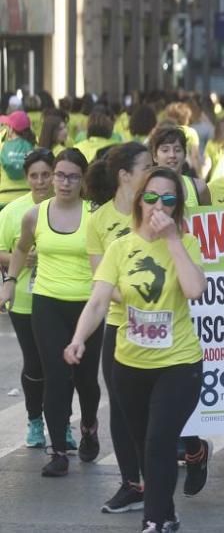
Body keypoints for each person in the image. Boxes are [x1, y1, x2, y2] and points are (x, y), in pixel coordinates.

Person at [65, 166, 207, 533]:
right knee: (147, 447)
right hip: (129, 364)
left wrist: (173, 240)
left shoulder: (187, 244)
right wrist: (79, 339)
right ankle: (168, 512)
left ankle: (154, 521)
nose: (159, 205)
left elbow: (194, 291)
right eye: (152, 197)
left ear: (178, 207)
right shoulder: (120, 247)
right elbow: (98, 302)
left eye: (169, 199)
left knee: (160, 442)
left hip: (179, 363)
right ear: (139, 200)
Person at [0, 149, 100, 477]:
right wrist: (11, 282)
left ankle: (88, 426)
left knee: (86, 379)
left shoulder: (94, 215)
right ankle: (57, 450)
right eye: (60, 175)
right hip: (47, 303)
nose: (64, 182)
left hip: (88, 307)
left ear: (83, 180)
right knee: (56, 377)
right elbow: (21, 248)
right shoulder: (35, 215)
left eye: (72, 176)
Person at [85, 143, 157, 512]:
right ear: (125, 175)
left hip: (161, 325)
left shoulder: (157, 208)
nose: (154, 169)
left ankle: (170, 469)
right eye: (148, 165)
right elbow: (102, 280)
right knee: (121, 406)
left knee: (154, 409)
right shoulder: (98, 221)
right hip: (119, 325)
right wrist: (132, 297)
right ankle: (132, 484)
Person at [0, 149, 55, 450]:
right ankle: (35, 420)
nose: (40, 181)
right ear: (26, 177)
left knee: (60, 365)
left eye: (46, 174)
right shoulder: (11, 212)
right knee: (35, 363)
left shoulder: (69, 207)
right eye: (34, 175)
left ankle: (61, 425)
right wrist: (22, 257)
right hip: (24, 299)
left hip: (62, 298)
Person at [150, 126, 211, 207]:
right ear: (155, 156)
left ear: (185, 155)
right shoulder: (145, 189)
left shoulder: (200, 188)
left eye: (177, 150)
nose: (172, 155)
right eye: (165, 150)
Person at [0, 110, 35, 207]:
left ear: (11, 129)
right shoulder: (34, 147)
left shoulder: (1, 146)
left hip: (3, 198)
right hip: (26, 198)